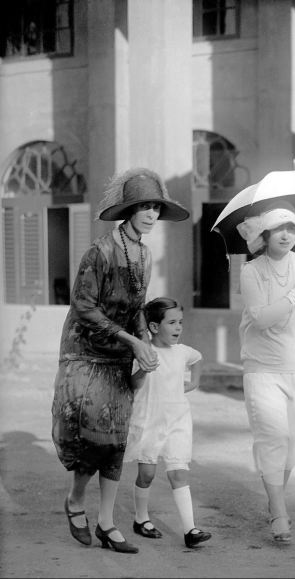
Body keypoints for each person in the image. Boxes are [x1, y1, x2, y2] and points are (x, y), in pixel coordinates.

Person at [51, 167, 189, 553]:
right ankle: (75, 499)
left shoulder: (144, 255)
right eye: (143, 206)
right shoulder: (101, 250)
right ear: (128, 211)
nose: (150, 214)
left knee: (116, 439)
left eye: (155, 208)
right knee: (91, 431)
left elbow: (135, 308)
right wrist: (132, 338)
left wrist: (146, 342)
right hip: (83, 351)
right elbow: (83, 306)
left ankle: (106, 523)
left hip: (118, 353)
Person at [236, 201, 295, 544]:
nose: (286, 235)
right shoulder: (250, 270)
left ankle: (276, 500)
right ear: (265, 235)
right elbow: (260, 318)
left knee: (292, 445)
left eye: (291, 228)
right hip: (262, 369)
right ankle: (278, 511)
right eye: (278, 229)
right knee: (272, 436)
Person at [123, 297, 212, 549]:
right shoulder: (143, 352)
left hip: (177, 419)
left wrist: (193, 383)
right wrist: (144, 368)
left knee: (178, 472)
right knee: (147, 474)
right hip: (149, 418)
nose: (178, 328)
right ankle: (141, 518)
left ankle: (190, 530)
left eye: (180, 322)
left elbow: (197, 358)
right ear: (153, 327)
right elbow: (133, 384)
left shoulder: (183, 351)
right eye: (171, 322)